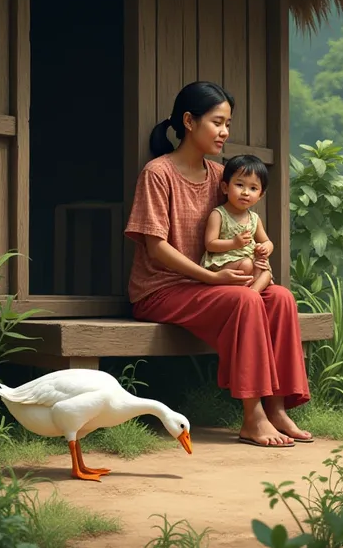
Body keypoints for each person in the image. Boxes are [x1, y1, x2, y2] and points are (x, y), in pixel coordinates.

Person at [125, 81, 312, 448]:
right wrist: (212, 278)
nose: (225, 131)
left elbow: (243, 224)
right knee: (244, 301)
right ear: (190, 122)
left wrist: (258, 262)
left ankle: (276, 408)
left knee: (281, 298)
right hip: (161, 290)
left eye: (228, 123)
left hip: (211, 285)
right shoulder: (157, 173)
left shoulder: (219, 176)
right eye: (217, 122)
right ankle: (251, 416)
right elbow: (156, 247)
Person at [201, 154, 273, 296]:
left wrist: (264, 248)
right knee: (246, 264)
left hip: (250, 262)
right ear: (225, 187)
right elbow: (210, 244)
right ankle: (249, 292)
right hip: (225, 262)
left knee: (266, 272)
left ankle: (253, 293)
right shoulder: (219, 214)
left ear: (260, 195)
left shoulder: (254, 218)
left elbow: (267, 241)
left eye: (253, 188)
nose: (245, 192)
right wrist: (234, 243)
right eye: (239, 185)